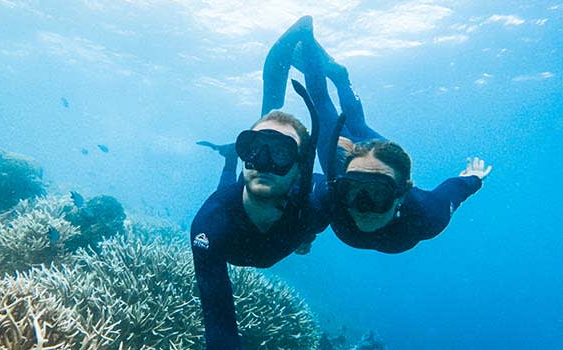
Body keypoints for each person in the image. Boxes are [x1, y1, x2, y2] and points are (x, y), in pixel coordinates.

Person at [262, 16, 492, 253]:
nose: (363, 206)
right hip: (360, 154)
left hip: (345, 156)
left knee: (331, 111)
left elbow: (456, 189)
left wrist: (473, 179)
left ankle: (339, 76)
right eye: (351, 189)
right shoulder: (332, 195)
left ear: (402, 193)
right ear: (341, 186)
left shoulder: (426, 216)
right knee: (345, 117)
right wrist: (304, 231)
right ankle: (332, 67)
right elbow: (456, 189)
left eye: (378, 193)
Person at [191, 82, 329, 349]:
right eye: (254, 148)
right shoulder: (210, 224)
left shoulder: (317, 202)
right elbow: (219, 323)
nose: (263, 161)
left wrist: (307, 235)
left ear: (301, 166)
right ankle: (230, 158)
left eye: (280, 152)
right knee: (226, 189)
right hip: (232, 215)